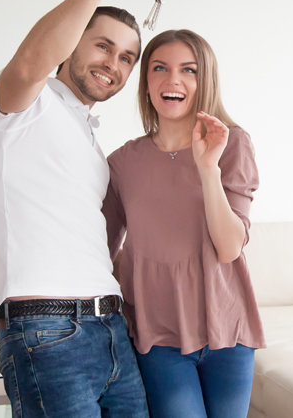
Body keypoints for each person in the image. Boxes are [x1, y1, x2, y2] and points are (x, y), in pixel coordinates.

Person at [0, 0, 168, 418]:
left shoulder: (89, 139)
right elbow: (29, 64)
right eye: (102, 46)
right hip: (47, 328)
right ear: (72, 42)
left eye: (127, 57)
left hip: (111, 329)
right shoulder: (23, 105)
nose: (113, 64)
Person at [102, 29, 265, 418]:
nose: (172, 79)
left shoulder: (232, 143)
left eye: (188, 70)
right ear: (146, 83)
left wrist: (208, 168)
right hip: (159, 338)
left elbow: (229, 247)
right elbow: (100, 250)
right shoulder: (122, 163)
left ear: (204, 80)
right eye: (160, 68)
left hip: (229, 333)